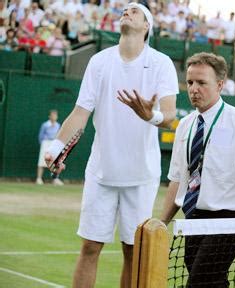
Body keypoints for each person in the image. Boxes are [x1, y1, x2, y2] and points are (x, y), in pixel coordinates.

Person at [44, 3, 178, 287]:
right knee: (90, 247)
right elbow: (80, 112)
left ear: (146, 27)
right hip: (101, 172)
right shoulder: (100, 61)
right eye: (125, 10)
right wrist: (56, 148)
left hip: (141, 176)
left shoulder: (161, 63)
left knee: (133, 252)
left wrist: (149, 115)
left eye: (135, 11)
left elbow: (169, 115)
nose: (126, 12)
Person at [159, 52, 235, 287]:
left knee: (198, 283)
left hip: (228, 221)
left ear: (219, 84)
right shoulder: (185, 125)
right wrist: (160, 223)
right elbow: (178, 180)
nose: (194, 89)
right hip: (193, 220)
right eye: (190, 82)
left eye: (201, 83)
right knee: (213, 283)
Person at [36, 110, 63, 185]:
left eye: (55, 115)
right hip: (45, 143)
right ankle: (39, 179)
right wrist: (43, 144)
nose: (54, 117)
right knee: (42, 161)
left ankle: (55, 179)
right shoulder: (45, 125)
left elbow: (59, 135)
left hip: (54, 143)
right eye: (52, 115)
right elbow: (40, 136)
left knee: (55, 162)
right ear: (49, 116)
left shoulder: (58, 125)